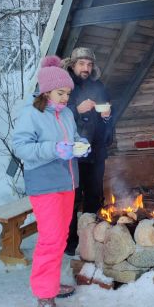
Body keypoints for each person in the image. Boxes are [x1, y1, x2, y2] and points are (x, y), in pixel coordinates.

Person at [12, 55, 90, 307]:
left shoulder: (66, 113)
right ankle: (45, 296)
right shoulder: (31, 114)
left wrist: (81, 144)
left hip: (67, 183)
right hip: (44, 184)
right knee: (50, 239)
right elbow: (21, 147)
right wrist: (53, 149)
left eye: (68, 93)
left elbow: (73, 137)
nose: (66, 98)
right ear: (46, 91)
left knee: (59, 238)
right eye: (61, 93)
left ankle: (52, 284)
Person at [61, 48, 113, 255]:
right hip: (73, 154)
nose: (86, 68)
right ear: (73, 65)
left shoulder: (98, 86)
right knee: (72, 199)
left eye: (89, 64)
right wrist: (76, 109)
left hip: (96, 151)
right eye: (82, 64)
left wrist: (107, 115)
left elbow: (107, 116)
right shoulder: (65, 86)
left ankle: (91, 237)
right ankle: (71, 242)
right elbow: (54, 114)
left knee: (94, 196)